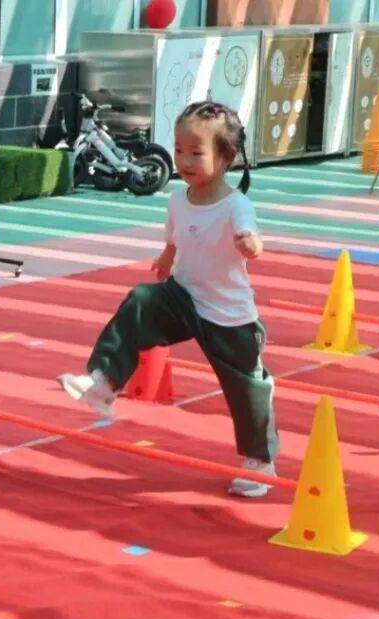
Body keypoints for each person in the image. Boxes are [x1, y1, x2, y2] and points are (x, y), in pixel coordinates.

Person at [58, 101, 279, 498]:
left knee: (246, 390)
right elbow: (175, 240)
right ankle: (104, 382)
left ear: (226, 157)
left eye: (196, 152)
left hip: (227, 315)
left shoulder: (236, 205)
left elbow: (252, 238)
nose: (184, 160)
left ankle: (260, 462)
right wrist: (165, 260)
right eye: (179, 150)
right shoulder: (177, 200)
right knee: (141, 300)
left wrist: (251, 245)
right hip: (182, 297)